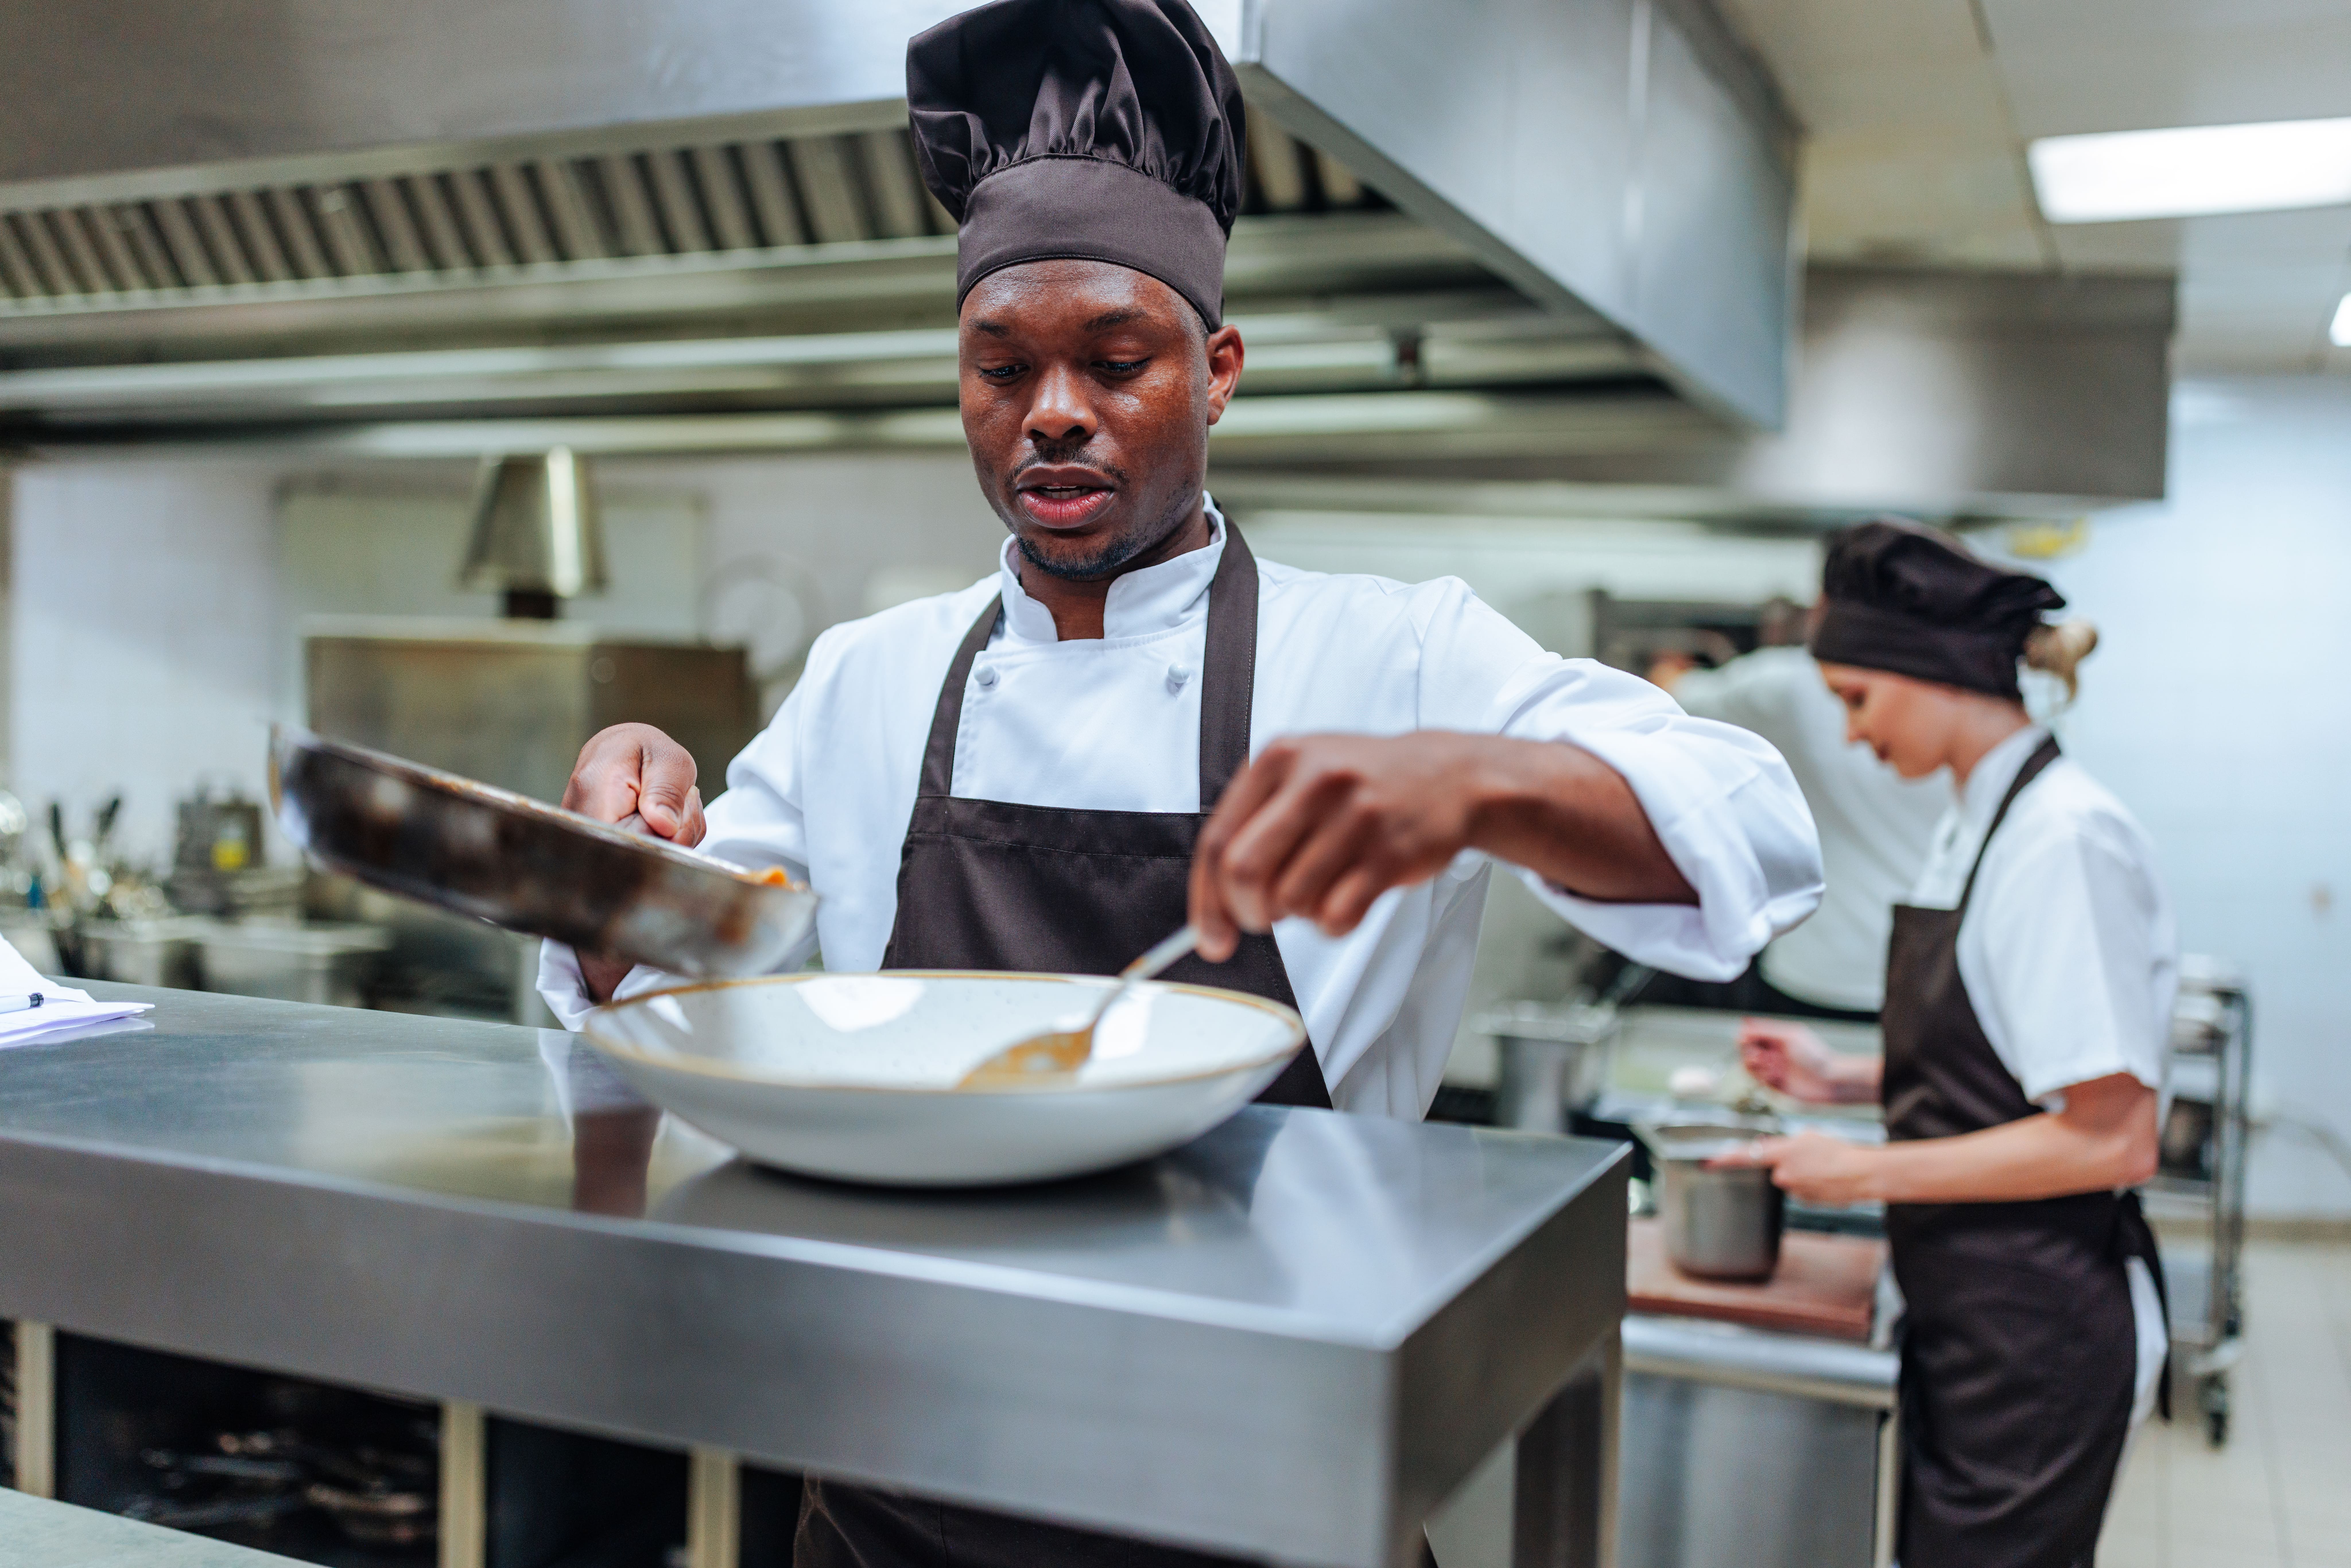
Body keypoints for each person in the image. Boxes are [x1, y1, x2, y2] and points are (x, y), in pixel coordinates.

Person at [542, 1, 1822, 1561]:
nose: (1054, 410)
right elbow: (686, 964)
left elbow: (1752, 824)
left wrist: (1485, 782)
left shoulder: (1396, 652)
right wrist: (611, 856)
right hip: (893, 1485)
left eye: (1116, 357)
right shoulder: (870, 674)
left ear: (1217, 369)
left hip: (1266, 1486)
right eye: (1000, 365)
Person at [1727, 518, 2174, 1568]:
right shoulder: (1974, 817)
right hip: (1969, 1305)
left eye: (1855, 699)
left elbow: (2112, 1138)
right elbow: (2015, 1061)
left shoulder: (2061, 837)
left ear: (1928, 672)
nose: (1848, 735)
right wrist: (1843, 1079)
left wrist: (1864, 1169)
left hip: (2038, 1331)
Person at [1650, 600, 1947, 1018]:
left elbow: (1669, 696)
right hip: (1930, 972)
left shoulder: (1791, 683)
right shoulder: (1957, 699)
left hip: (1819, 967)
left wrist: (1670, 664)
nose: (1852, 733)